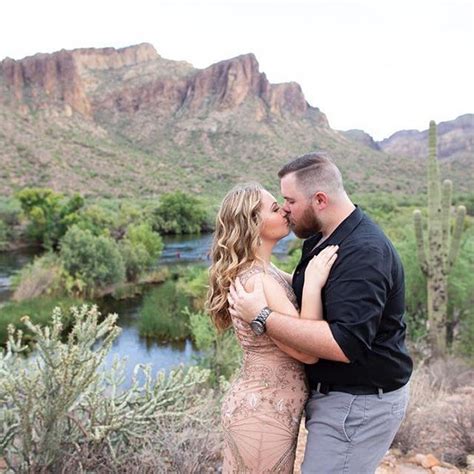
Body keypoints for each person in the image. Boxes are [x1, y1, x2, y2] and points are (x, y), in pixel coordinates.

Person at [228, 153, 413, 473]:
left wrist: (262, 316)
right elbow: (295, 290)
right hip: (327, 400)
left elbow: (344, 344)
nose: (285, 209)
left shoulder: (363, 252)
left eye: (289, 200)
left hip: (359, 402)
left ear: (320, 200)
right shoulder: (317, 237)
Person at [206, 183, 339, 473]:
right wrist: (314, 282)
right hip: (262, 413)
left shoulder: (270, 272)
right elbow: (307, 351)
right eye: (274, 208)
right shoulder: (258, 280)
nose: (284, 211)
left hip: (271, 411)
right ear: (253, 222)